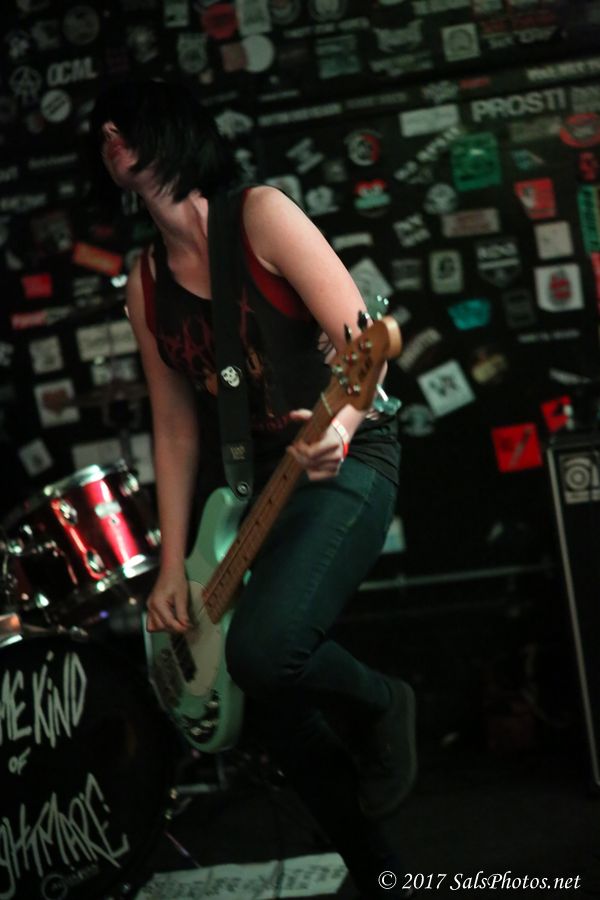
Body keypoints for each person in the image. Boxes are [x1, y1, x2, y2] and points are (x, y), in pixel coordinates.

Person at [91, 79, 417, 899]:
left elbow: (364, 351)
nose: (109, 136)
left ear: (172, 132)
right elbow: (175, 427)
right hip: (249, 487)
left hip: (346, 455)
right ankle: (380, 873)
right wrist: (172, 565)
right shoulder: (143, 281)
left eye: (125, 124)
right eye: (102, 133)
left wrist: (338, 432)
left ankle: (384, 704)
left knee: (265, 650)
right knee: (267, 702)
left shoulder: (262, 215)